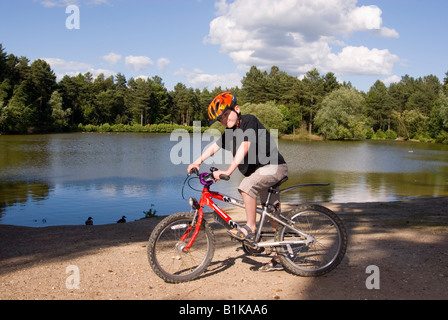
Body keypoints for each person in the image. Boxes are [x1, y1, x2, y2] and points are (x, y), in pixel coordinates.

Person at [187, 92, 288, 271]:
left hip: (274, 167)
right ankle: (281, 256)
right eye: (221, 119)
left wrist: (228, 171)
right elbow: (214, 147)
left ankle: (250, 227)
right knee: (272, 215)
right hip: (261, 172)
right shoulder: (229, 133)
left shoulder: (249, 121)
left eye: (226, 114)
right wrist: (197, 161)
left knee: (246, 186)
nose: (224, 119)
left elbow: (245, 146)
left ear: (237, 109)